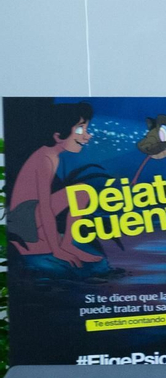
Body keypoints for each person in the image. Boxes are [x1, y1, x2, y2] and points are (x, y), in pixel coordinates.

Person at [6, 101, 103, 268]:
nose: (87, 136)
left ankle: (67, 244)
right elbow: (45, 207)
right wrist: (56, 250)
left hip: (30, 217)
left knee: (82, 193)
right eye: (80, 129)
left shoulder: (52, 156)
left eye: (86, 129)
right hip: (23, 220)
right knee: (81, 193)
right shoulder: (45, 158)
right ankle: (62, 246)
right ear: (58, 136)